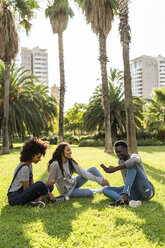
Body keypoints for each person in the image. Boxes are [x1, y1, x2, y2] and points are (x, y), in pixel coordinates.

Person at [102, 140, 155, 207]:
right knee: (105, 189)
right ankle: (126, 201)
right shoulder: (120, 161)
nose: (118, 154)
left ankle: (124, 196)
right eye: (116, 153)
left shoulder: (134, 156)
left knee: (132, 166)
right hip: (133, 192)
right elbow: (126, 180)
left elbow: (135, 161)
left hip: (145, 191)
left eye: (119, 151)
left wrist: (115, 168)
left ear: (126, 149)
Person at [7, 137, 55, 207]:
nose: (39, 159)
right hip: (14, 198)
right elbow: (27, 190)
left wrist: (45, 187)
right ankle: (45, 198)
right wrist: (44, 186)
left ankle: (40, 198)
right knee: (41, 184)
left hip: (22, 194)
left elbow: (32, 186)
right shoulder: (25, 168)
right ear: (31, 156)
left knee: (50, 186)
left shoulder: (29, 165)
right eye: (38, 157)